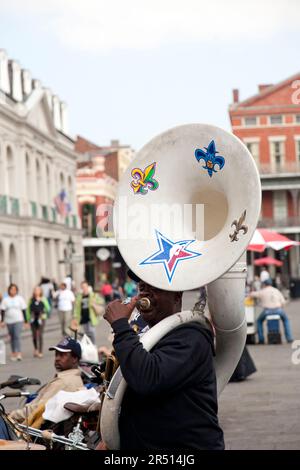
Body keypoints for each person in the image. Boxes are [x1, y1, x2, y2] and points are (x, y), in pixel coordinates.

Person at [103, 270, 225, 450]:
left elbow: (147, 378)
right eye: (142, 287)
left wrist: (121, 326)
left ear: (177, 296)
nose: (144, 293)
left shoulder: (191, 337)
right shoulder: (151, 337)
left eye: (154, 287)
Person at [9, 337, 84, 425]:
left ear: (74, 358)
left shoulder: (63, 382)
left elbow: (36, 410)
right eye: (56, 354)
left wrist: (11, 415)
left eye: (62, 355)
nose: (57, 358)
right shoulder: (74, 378)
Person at [250, 278, 293, 344]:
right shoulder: (276, 290)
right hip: (278, 310)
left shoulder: (262, 291)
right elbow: (283, 302)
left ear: (264, 284)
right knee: (286, 320)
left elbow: (252, 294)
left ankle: (261, 339)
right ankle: (289, 338)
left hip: (267, 311)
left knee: (259, 321)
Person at [0, 284, 27, 361]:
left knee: (17, 336)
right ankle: (13, 352)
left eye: (14, 289)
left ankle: (18, 352)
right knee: (12, 337)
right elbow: (2, 311)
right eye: (11, 289)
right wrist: (2, 321)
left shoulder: (19, 298)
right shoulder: (6, 300)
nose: (13, 291)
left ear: (16, 290)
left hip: (18, 320)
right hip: (9, 321)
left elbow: (24, 310)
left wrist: (26, 321)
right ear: (9, 290)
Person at [27, 286, 50, 358]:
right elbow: (28, 310)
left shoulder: (43, 299)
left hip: (41, 318)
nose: (36, 291)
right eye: (35, 290)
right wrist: (27, 320)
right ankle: (36, 349)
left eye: (38, 290)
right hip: (33, 319)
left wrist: (43, 312)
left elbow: (48, 308)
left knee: (40, 334)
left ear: (40, 291)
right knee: (34, 335)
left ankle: (40, 351)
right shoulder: (31, 299)